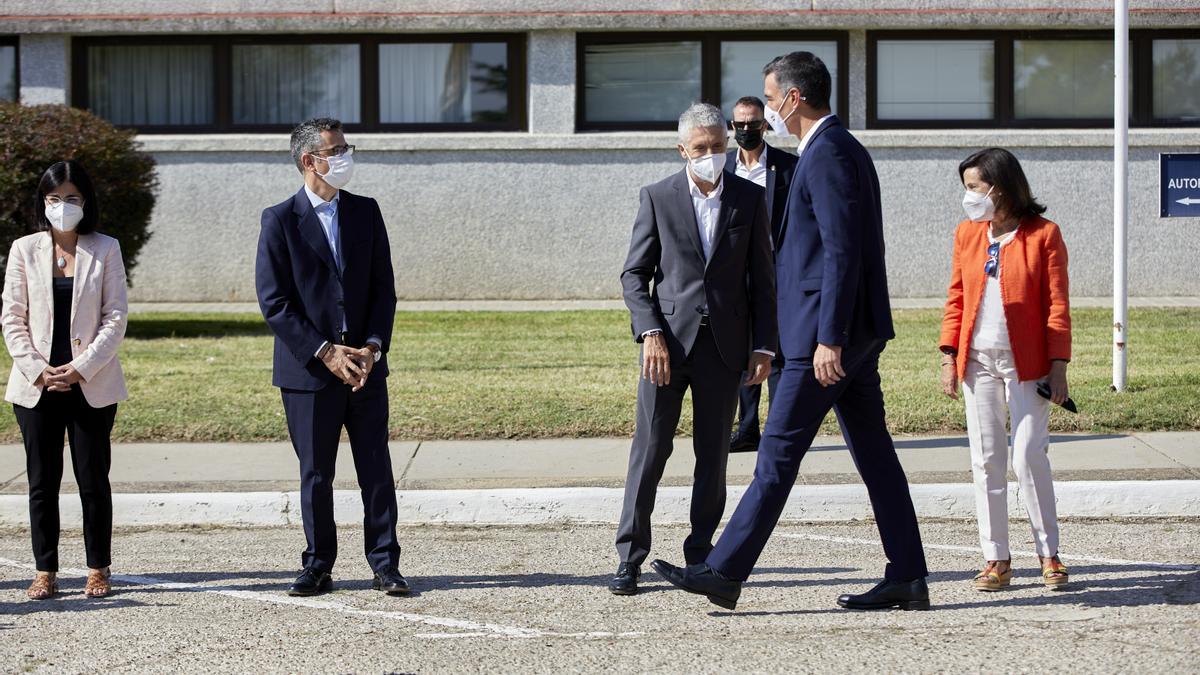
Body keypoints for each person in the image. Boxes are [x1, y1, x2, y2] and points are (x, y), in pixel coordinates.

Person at [652, 52, 929, 611]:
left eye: (771, 98)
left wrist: (830, 337)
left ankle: (725, 572)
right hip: (845, 335)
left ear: (793, 99)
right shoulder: (837, 149)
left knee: (776, 457)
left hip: (822, 341)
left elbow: (842, 252)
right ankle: (908, 575)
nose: (767, 111)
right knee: (875, 456)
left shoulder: (826, 154)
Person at [610, 102, 777, 596]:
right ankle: (629, 556)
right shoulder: (658, 197)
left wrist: (764, 346)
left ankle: (701, 555)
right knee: (650, 451)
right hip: (665, 348)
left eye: (718, 147)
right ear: (683, 149)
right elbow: (634, 275)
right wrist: (651, 333)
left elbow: (763, 282)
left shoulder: (749, 199)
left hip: (725, 350)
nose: (711, 156)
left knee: (714, 457)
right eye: (701, 149)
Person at [255, 117, 408, 597]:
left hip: (364, 369)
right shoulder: (279, 220)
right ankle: (318, 564)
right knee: (317, 474)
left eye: (346, 147)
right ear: (309, 160)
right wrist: (325, 352)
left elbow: (384, 289)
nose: (345, 156)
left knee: (377, 471)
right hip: (310, 373)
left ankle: (385, 563)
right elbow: (274, 302)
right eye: (335, 150)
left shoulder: (366, 211)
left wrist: (372, 347)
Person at [939, 147, 1072, 591]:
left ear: (1000, 187)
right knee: (987, 461)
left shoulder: (1044, 235)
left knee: (1028, 456)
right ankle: (996, 558)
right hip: (977, 363)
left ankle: (1048, 553)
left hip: (1029, 366)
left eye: (974, 188)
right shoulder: (967, 234)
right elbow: (957, 297)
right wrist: (948, 355)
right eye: (966, 189)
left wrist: (1059, 367)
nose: (968, 198)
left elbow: (1057, 306)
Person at [2, 161, 128, 600]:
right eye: (54, 199)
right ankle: (45, 570)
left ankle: (98, 568)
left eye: (72, 198)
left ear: (85, 202)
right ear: (43, 202)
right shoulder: (24, 249)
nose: (62, 206)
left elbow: (115, 317)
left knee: (93, 478)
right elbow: (12, 318)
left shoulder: (106, 248)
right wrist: (39, 369)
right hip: (36, 385)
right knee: (42, 481)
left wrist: (81, 367)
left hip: (90, 383)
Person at [724, 95, 798, 454]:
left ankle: (780, 430)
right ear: (731, 126)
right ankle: (747, 428)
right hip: (738, 273)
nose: (747, 130)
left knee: (778, 353)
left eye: (753, 123)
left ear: (765, 125)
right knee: (744, 353)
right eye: (740, 125)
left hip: (778, 271)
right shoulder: (723, 168)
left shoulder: (788, 167)